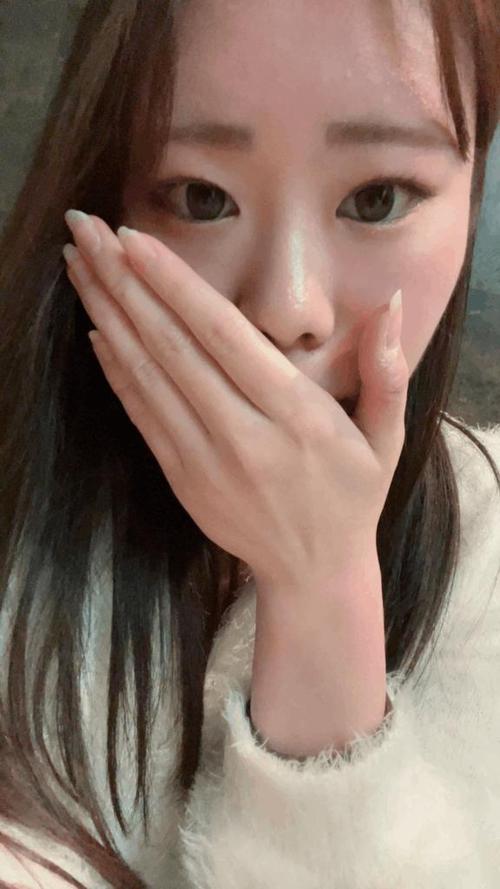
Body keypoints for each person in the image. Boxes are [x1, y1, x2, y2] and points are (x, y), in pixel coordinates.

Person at [0, 0, 499, 886]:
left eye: (376, 199)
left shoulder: (486, 540)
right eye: (203, 198)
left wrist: (321, 587)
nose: (287, 308)